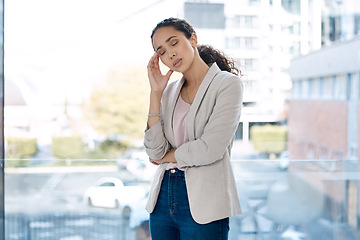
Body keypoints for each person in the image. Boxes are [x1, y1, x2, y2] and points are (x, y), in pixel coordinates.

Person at [144, 17, 243, 240]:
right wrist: (156, 93)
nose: (169, 54)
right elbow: (153, 151)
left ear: (193, 39)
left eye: (174, 43)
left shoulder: (227, 85)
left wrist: (168, 156)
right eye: (161, 51)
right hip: (162, 200)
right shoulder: (168, 92)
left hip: (205, 201)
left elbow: (211, 148)